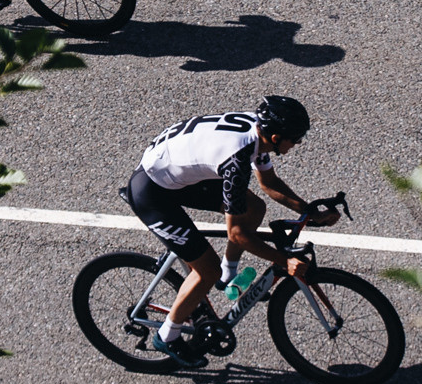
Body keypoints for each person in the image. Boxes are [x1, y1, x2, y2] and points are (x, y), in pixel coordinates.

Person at [123, 95, 335, 366]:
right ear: (276, 136)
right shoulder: (238, 158)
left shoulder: (257, 130)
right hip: (153, 193)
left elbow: (269, 183)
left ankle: (228, 274)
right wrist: (284, 260)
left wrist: (310, 214)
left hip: (177, 173)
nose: (297, 143)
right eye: (295, 139)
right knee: (206, 270)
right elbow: (237, 234)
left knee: (254, 208)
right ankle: (167, 336)